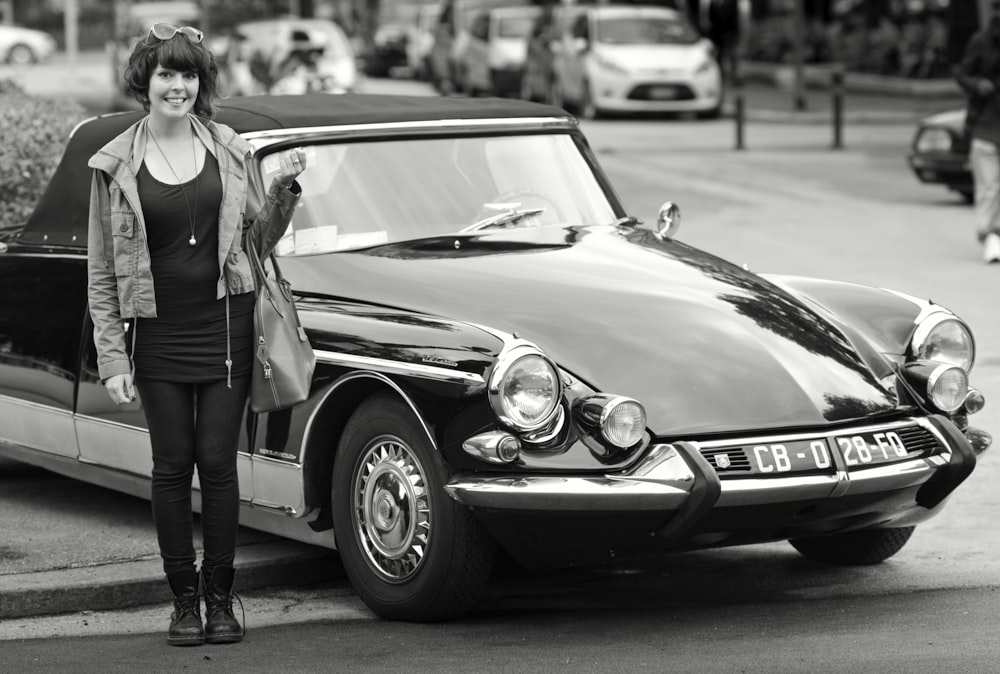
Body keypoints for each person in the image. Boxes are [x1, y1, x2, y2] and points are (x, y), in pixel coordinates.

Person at [86, 23, 308, 646]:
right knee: (169, 465)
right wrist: (112, 357)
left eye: (188, 75)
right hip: (156, 334)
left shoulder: (229, 148)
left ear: (200, 84)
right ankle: (182, 600)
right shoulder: (113, 164)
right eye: (166, 74)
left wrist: (286, 190)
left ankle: (220, 597)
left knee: (217, 463)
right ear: (145, 81)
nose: (177, 85)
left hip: (227, 328)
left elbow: (257, 244)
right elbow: (102, 270)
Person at [956, 0, 1000, 263]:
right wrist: (978, 84)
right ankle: (988, 235)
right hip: (986, 126)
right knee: (989, 188)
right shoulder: (981, 42)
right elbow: (962, 74)